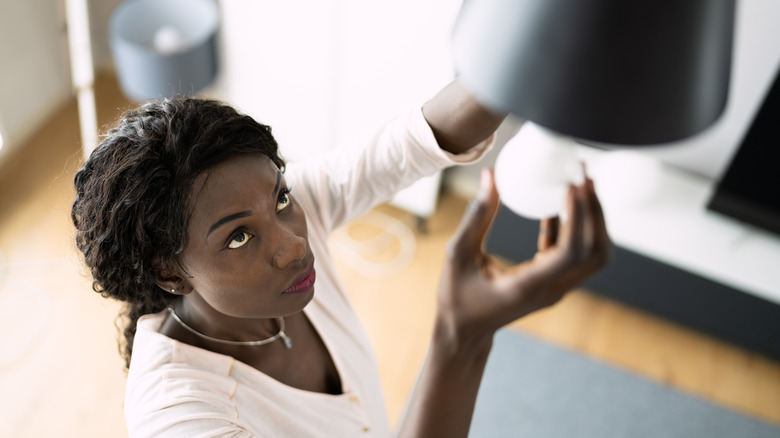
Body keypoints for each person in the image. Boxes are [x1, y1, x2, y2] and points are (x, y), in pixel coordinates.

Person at [71, 79, 609, 437]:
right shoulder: (182, 419)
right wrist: (461, 338)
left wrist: (522, 53)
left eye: (280, 197)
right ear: (169, 272)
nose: (293, 244)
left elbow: (415, 139)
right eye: (239, 237)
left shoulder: (287, 221)